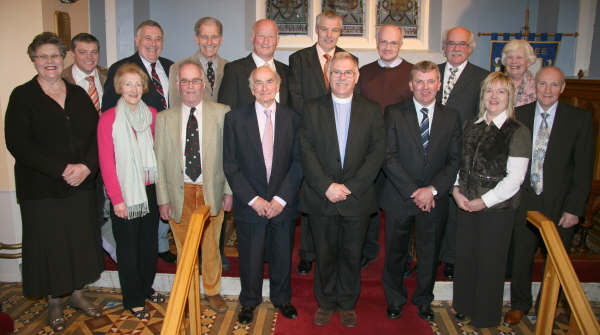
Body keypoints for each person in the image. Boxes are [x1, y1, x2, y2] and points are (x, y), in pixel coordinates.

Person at [5, 32, 104, 332]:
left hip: (81, 186)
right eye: (43, 56)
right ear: (34, 60)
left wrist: (87, 166)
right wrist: (62, 168)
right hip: (42, 189)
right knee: (50, 246)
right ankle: (54, 300)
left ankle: (76, 294)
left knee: (79, 242)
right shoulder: (22, 96)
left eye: (55, 56)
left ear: (64, 59)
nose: (50, 62)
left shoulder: (76, 94)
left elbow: (96, 135)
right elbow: (18, 144)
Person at [299, 52, 385, 328]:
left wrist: (350, 187)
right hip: (321, 196)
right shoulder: (311, 108)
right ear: (328, 75)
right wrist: (326, 186)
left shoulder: (372, 110)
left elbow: (377, 153)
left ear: (357, 76)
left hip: (356, 198)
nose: (342, 77)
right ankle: (325, 302)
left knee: (351, 254)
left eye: (348, 72)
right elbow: (306, 150)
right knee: (324, 253)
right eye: (336, 72)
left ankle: (347, 303)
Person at [505, 66, 594, 325]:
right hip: (526, 200)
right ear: (535, 86)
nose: (547, 90)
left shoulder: (579, 119)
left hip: (560, 203)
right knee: (521, 256)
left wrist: (575, 208)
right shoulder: (518, 115)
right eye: (543, 84)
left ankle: (548, 304)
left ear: (563, 87)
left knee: (555, 259)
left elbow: (583, 168)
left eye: (554, 85)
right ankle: (520, 304)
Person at [381, 61, 461, 321]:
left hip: (434, 200)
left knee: (430, 253)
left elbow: (454, 160)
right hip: (399, 196)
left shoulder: (452, 116)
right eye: (420, 81)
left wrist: (433, 190)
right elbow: (388, 156)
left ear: (439, 85)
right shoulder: (394, 113)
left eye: (430, 81)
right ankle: (395, 299)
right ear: (411, 85)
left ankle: (424, 299)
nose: (425, 87)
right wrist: (415, 191)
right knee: (395, 253)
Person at [223, 66, 302, 324]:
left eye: (269, 82)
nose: (264, 87)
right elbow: (231, 165)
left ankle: (282, 298)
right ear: (251, 87)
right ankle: (249, 301)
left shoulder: (293, 118)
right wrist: (254, 200)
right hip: (250, 204)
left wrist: (280, 199)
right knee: (250, 256)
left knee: (282, 254)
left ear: (278, 85)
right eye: (259, 83)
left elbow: (298, 163)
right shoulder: (235, 119)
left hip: (283, 203)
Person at [452, 72, 531, 328]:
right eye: (489, 91)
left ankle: (485, 316)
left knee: (489, 264)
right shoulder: (470, 126)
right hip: (465, 204)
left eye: (501, 92)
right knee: (466, 259)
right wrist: (455, 190)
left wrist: (484, 201)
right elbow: (459, 163)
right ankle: (464, 306)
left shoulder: (517, 131)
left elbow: (514, 179)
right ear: (482, 95)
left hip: (496, 210)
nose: (494, 97)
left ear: (509, 97)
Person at [155, 60, 232, 313]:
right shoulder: (165, 118)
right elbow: (160, 160)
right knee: (185, 248)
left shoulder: (222, 112)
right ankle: (186, 291)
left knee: (211, 244)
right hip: (181, 192)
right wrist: (162, 199)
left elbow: (231, 156)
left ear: (204, 84)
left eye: (195, 81)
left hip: (212, 191)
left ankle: (212, 290)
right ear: (177, 85)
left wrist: (229, 191)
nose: (190, 86)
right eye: (184, 81)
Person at [102, 20, 176, 264]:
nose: (153, 44)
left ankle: (161, 244)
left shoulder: (170, 67)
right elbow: (111, 114)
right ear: (136, 40)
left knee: (160, 202)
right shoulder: (121, 69)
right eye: (147, 38)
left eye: (158, 39)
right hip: (134, 156)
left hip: (165, 148)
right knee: (133, 229)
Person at [288, 10, 355, 275]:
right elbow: (296, 99)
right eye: (325, 29)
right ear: (317, 29)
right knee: (312, 197)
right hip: (311, 139)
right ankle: (307, 252)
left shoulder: (349, 60)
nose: (329, 34)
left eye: (335, 30)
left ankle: (334, 251)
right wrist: (320, 127)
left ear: (340, 32)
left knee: (338, 198)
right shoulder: (298, 59)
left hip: (341, 142)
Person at [97, 63, 162, 321]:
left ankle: (146, 288)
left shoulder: (153, 115)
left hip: (150, 190)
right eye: (128, 84)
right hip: (125, 195)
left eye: (138, 84)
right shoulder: (108, 119)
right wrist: (117, 199)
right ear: (119, 87)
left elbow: (159, 154)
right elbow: (107, 163)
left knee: (148, 245)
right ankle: (133, 298)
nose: (134, 89)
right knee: (128, 249)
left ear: (144, 87)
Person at [358, 24, 413, 270]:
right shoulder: (364, 72)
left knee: (398, 208)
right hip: (368, 152)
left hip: (400, 154)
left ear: (400, 44)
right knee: (368, 204)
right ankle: (367, 250)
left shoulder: (412, 73)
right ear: (377, 43)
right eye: (383, 42)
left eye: (393, 43)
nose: (388, 47)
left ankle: (400, 256)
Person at [437, 26, 490, 280]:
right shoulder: (432, 72)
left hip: (464, 152)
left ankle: (451, 257)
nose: (456, 48)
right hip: (431, 152)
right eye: (451, 43)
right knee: (432, 206)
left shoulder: (483, 78)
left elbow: (484, 117)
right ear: (444, 46)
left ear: (470, 48)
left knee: (456, 207)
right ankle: (430, 253)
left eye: (461, 44)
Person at [61, 32, 117, 263]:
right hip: (80, 158)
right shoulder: (62, 81)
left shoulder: (109, 75)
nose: (89, 57)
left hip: (110, 153)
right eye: (83, 52)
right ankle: (89, 254)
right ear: (73, 53)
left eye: (94, 52)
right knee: (87, 210)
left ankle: (111, 249)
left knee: (112, 205)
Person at [218, 19, 289, 109]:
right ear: (252, 38)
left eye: (271, 36)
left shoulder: (286, 71)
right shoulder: (234, 70)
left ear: (277, 40)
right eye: (261, 36)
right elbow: (226, 111)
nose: (266, 41)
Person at [168, 17, 227, 104]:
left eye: (214, 37)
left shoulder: (230, 68)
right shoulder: (178, 68)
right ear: (197, 39)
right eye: (204, 37)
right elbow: (175, 107)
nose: (209, 42)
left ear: (220, 39)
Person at [501, 39, 537, 107]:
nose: (514, 61)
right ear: (505, 60)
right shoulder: (495, 83)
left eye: (519, 57)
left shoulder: (537, 87)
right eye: (510, 57)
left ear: (529, 61)